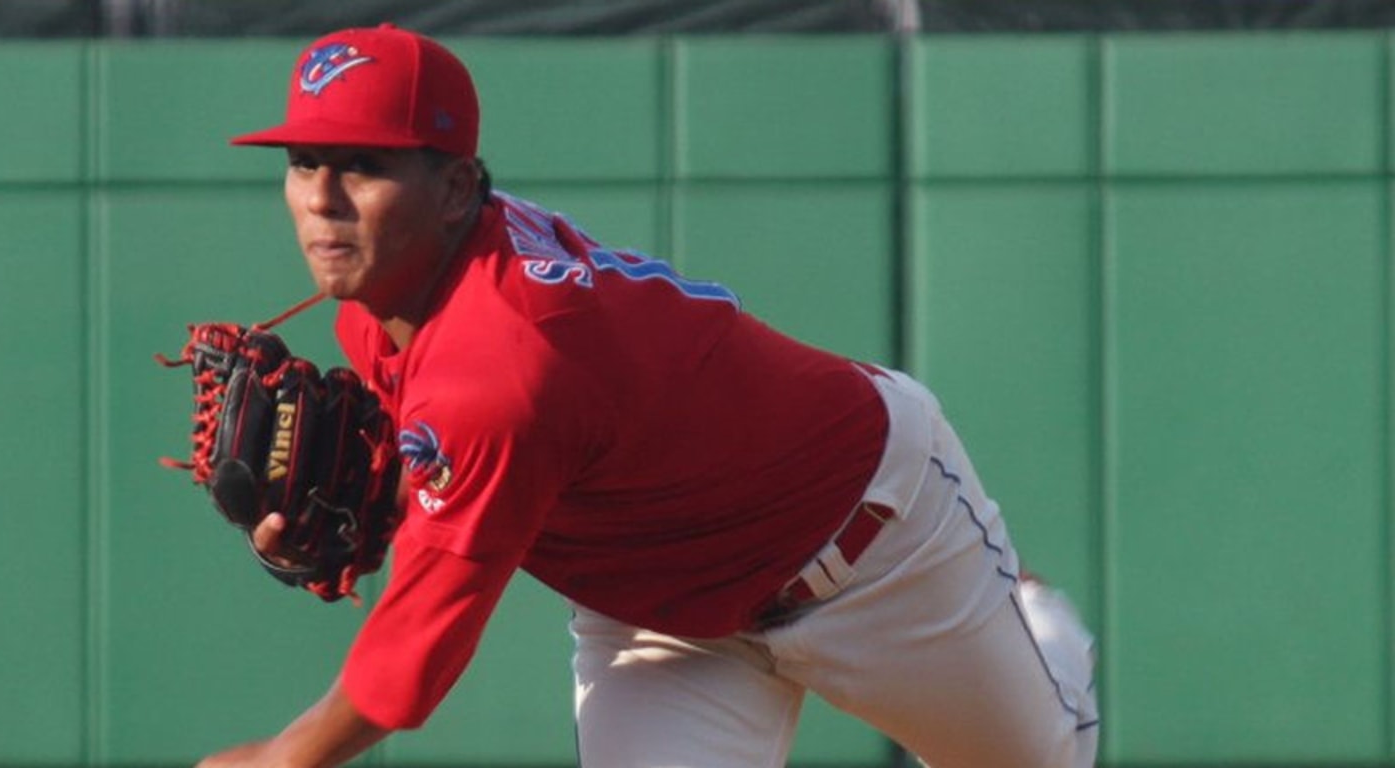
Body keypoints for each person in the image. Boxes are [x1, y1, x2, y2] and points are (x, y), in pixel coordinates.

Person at [197, 23, 1100, 768]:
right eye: (304, 160)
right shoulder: (383, 306)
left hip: (873, 547)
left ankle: (1037, 624)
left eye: (364, 165)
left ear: (458, 188)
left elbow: (411, 666)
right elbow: (465, 469)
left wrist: (284, 758)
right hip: (664, 622)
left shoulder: (503, 359)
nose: (321, 198)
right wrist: (351, 506)